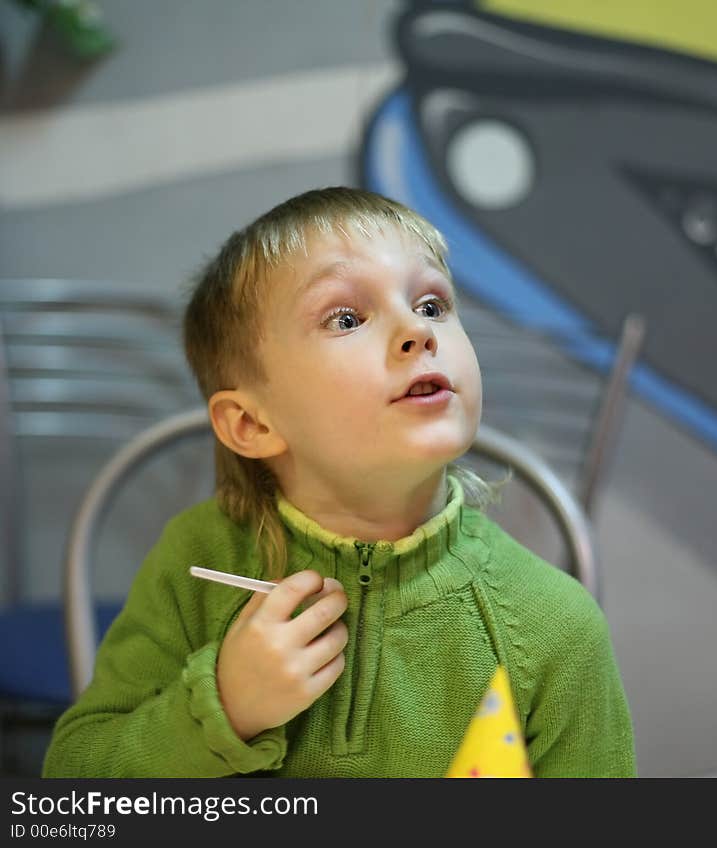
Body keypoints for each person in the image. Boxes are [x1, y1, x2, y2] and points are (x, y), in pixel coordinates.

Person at [42, 187, 636, 778]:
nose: (417, 332)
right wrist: (225, 707)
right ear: (251, 423)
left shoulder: (557, 628)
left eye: (431, 305)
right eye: (347, 317)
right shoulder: (194, 560)